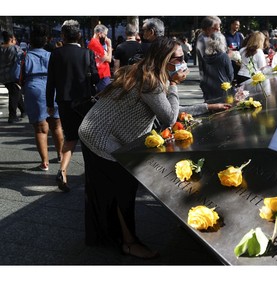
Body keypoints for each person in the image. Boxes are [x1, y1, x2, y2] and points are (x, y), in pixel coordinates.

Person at [78, 37, 188, 259]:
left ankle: (104, 235)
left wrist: (207, 106)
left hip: (92, 131)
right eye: (179, 58)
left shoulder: (142, 72)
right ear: (164, 60)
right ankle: (128, 243)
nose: (183, 62)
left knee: (105, 190)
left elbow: (165, 110)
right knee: (124, 191)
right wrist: (174, 86)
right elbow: (167, 117)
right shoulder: (152, 82)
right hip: (103, 140)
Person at [46, 19, 99, 192]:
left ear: (63, 36)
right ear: (79, 35)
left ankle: (62, 171)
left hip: (64, 101)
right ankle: (91, 176)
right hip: (84, 101)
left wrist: (49, 104)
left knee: (70, 138)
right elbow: (96, 79)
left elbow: (51, 82)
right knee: (87, 139)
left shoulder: (56, 54)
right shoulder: (87, 53)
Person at [21, 24, 64, 171]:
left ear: (30, 41)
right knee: (57, 125)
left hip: (34, 88)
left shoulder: (25, 56)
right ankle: (60, 155)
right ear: (46, 41)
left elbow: (17, 75)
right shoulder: (52, 55)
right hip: (53, 88)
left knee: (40, 128)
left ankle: (44, 162)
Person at [199, 32, 234, 103]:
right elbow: (230, 74)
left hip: (208, 88)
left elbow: (202, 73)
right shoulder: (224, 56)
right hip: (223, 88)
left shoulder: (204, 57)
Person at [0, 31, 26, 123]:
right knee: (14, 94)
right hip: (14, 75)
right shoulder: (15, 48)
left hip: (3, 76)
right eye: (14, 39)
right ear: (11, 39)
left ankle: (24, 110)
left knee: (15, 92)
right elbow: (23, 57)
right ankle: (12, 116)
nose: (15, 41)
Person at [195, 16, 222, 81]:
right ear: (207, 29)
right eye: (215, 28)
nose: (218, 30)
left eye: (219, 27)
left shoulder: (215, 36)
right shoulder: (203, 39)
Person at [87, 24, 112, 93]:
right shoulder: (95, 44)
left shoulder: (94, 43)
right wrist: (109, 45)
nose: (106, 37)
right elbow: (109, 59)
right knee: (106, 96)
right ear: (100, 34)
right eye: (105, 34)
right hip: (102, 74)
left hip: (101, 74)